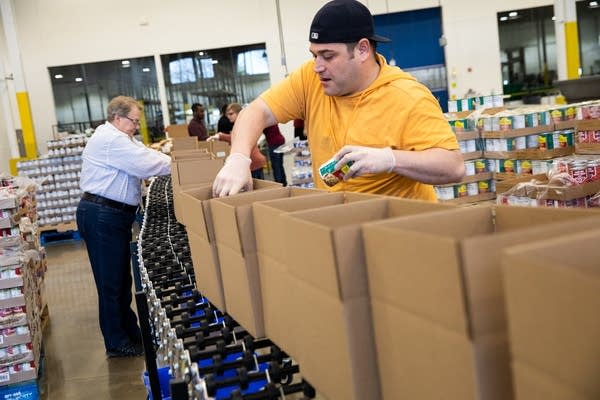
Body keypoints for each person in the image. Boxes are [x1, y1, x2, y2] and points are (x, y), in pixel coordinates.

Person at [212, 0, 464, 200]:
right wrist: (239, 158)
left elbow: (453, 166)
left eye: (328, 55)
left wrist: (390, 159)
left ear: (363, 50)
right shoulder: (310, 80)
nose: (318, 66)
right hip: (340, 224)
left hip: (399, 231)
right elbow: (256, 111)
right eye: (314, 55)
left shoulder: (407, 97)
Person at [76, 96, 171, 358]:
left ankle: (130, 333)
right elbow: (145, 163)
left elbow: (146, 153)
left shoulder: (122, 138)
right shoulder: (110, 139)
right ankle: (116, 342)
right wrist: (180, 165)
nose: (136, 127)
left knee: (121, 279)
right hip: (102, 215)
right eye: (133, 121)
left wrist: (170, 158)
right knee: (110, 283)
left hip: (112, 216)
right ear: (118, 118)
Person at [208, 103, 266, 179]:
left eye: (231, 114)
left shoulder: (244, 124)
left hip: (253, 162)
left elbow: (238, 139)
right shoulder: (238, 125)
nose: (228, 117)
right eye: (227, 114)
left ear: (239, 113)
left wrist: (220, 136)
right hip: (250, 162)